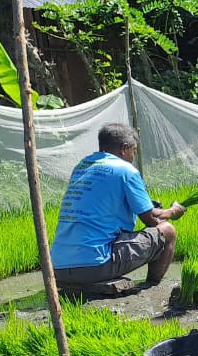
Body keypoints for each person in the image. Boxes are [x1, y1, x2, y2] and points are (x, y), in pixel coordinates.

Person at [51, 123, 185, 288]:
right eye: (134, 151)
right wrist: (172, 211)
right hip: (94, 265)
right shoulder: (126, 170)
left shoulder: (82, 166)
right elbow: (152, 220)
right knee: (167, 231)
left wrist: (150, 208)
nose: (133, 157)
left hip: (58, 267)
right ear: (124, 148)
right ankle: (150, 286)